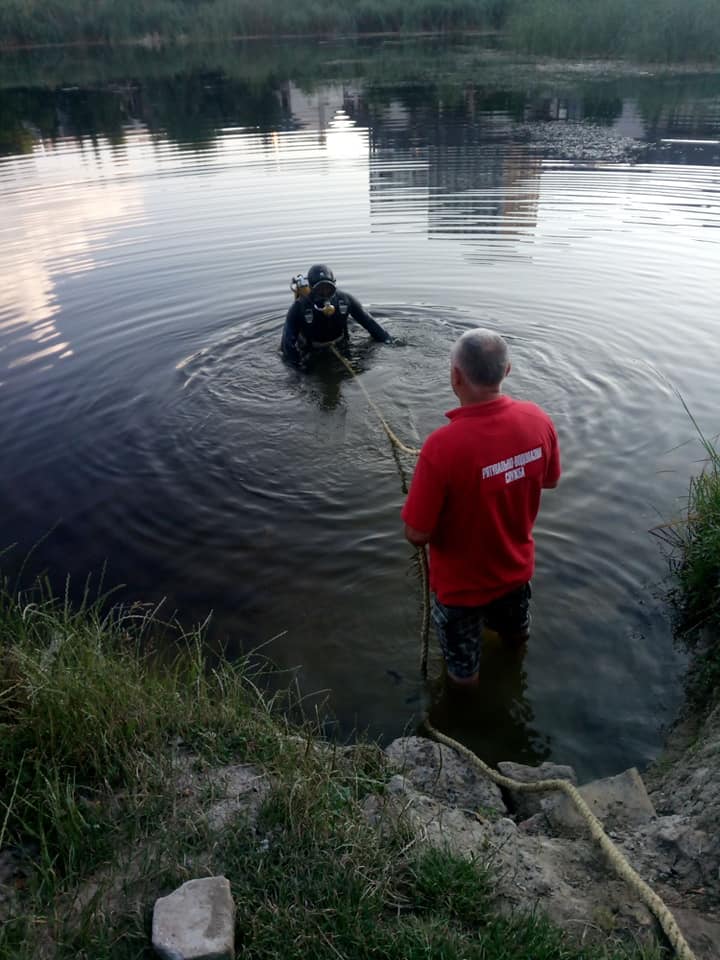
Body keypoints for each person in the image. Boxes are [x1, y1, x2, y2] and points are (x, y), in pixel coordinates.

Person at [401, 328, 560, 688]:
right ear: (507, 371)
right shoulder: (539, 420)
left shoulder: (442, 446)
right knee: (517, 635)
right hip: (516, 572)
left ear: (455, 376)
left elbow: (416, 534)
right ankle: (513, 682)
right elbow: (549, 481)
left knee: (462, 673)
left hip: (462, 590)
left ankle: (469, 725)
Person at [281, 264, 394, 366]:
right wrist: (297, 367)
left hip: (341, 343)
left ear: (335, 285)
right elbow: (287, 344)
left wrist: (389, 341)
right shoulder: (299, 307)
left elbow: (370, 324)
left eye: (329, 289)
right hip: (311, 349)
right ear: (310, 288)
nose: (325, 295)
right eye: (320, 290)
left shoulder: (345, 300)